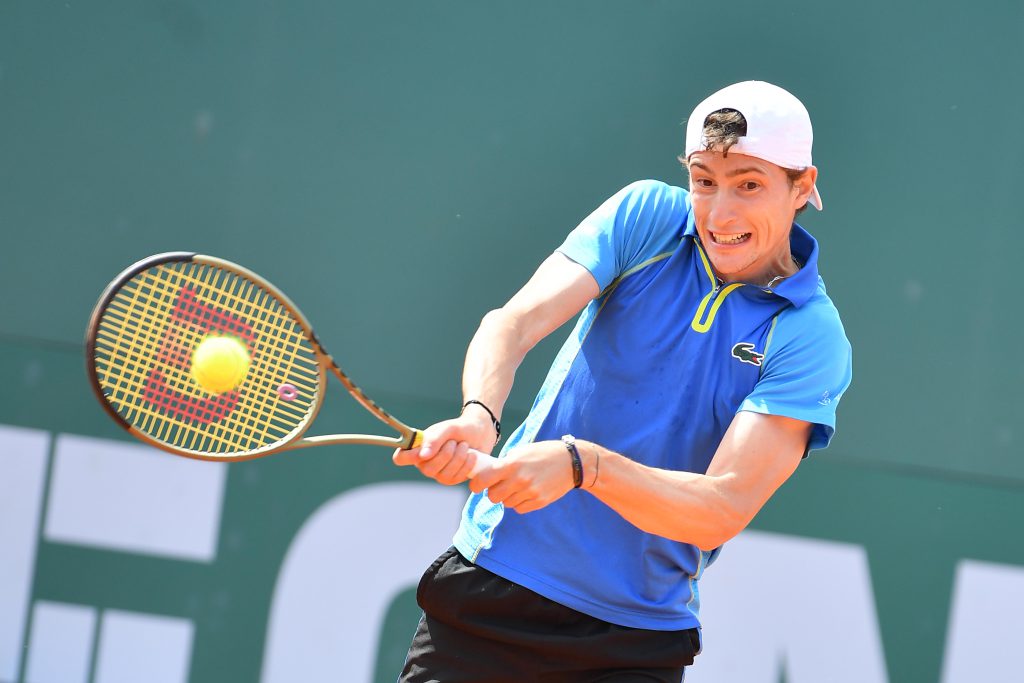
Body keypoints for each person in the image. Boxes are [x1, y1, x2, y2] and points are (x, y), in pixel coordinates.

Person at [393, 80, 852, 682]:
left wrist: (583, 466)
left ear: (802, 187)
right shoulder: (646, 219)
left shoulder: (810, 336)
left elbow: (721, 507)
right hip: (490, 592)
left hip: (630, 648)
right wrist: (480, 413)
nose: (719, 213)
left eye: (749, 184)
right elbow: (514, 322)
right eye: (704, 180)